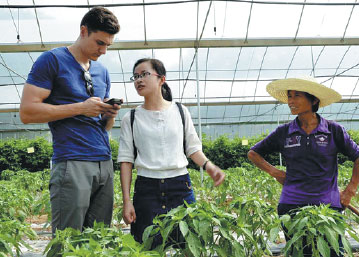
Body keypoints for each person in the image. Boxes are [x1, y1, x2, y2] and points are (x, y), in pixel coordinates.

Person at [19, 7, 120, 235]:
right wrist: (81, 108)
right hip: (72, 161)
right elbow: (27, 112)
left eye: (108, 45)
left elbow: (104, 127)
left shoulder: (102, 71)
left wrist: (107, 116)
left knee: (99, 241)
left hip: (104, 162)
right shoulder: (52, 60)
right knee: (68, 241)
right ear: (83, 31)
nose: (103, 50)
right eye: (99, 43)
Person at [118, 58, 226, 248]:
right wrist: (127, 201)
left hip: (180, 187)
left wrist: (209, 167)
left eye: (144, 74)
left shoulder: (180, 111)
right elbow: (126, 161)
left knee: (189, 246)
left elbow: (193, 148)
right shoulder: (132, 117)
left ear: (162, 79)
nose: (138, 80)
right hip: (146, 190)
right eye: (135, 76)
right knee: (147, 247)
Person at [247, 77, 359, 256]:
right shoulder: (284, 132)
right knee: (298, 252)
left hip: (327, 207)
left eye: (296, 96)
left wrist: (350, 191)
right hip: (292, 205)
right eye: (289, 96)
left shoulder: (333, 130)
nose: (290, 101)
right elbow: (253, 153)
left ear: (313, 99)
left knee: (331, 252)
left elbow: (357, 156)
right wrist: (275, 172)